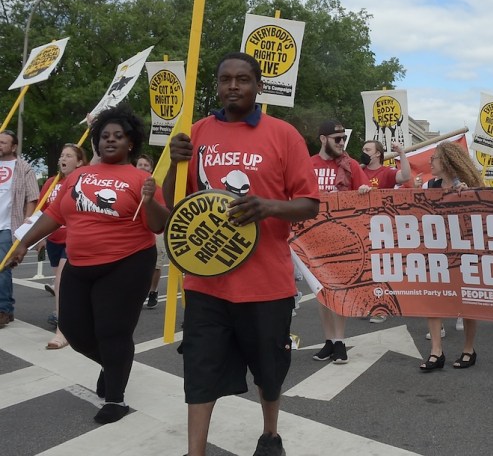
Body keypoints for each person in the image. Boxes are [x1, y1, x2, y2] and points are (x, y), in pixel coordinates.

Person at [164, 52, 319, 456]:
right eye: (225, 79)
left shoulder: (283, 135)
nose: (233, 86)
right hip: (206, 282)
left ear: (258, 86)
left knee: (269, 373)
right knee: (199, 371)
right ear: (216, 85)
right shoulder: (195, 132)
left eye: (243, 79)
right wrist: (172, 165)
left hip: (266, 285)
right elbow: (173, 206)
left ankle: (270, 435)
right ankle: (194, 451)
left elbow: (309, 204)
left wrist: (268, 207)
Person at [8, 105, 169, 424]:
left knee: (112, 330)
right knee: (74, 329)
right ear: (96, 141)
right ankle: (113, 364)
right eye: (105, 136)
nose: (110, 141)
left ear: (130, 142)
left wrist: (149, 201)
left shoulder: (142, 179)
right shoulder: (78, 176)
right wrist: (24, 243)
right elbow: (54, 215)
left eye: (118, 136)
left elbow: (158, 225)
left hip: (128, 262)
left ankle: (116, 399)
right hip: (80, 263)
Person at [420, 141, 484, 372]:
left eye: (434, 158)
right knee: (433, 300)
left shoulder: (471, 186)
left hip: (464, 252)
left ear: (447, 161)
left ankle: (469, 349)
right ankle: (436, 351)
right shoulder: (429, 185)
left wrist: (467, 196)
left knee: (467, 301)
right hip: (436, 250)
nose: (430, 162)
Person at [310, 119, 370, 363]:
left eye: (343, 139)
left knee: (339, 291)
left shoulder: (351, 165)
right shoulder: (307, 164)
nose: (342, 143)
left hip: (342, 238)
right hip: (312, 240)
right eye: (337, 139)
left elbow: (365, 192)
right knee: (321, 293)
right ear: (323, 139)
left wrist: (364, 191)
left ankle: (340, 341)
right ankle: (328, 341)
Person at [39, 143, 89, 349]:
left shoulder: (82, 180)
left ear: (79, 162)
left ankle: (63, 331)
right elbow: (42, 211)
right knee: (66, 287)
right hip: (54, 240)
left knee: (60, 282)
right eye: (62, 155)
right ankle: (75, 317)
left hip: (74, 238)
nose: (63, 159)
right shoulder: (51, 183)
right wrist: (37, 237)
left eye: (69, 156)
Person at [360, 139, 411, 323]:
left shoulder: (386, 173)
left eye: (367, 149)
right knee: (365, 270)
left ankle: (381, 308)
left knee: (379, 270)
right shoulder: (359, 171)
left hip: (381, 229)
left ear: (377, 154)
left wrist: (401, 153)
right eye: (363, 149)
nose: (363, 152)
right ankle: (368, 305)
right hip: (361, 226)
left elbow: (405, 176)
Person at [0, 130, 40, 328]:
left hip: (9, 225)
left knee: (3, 268)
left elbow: (32, 197)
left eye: (3, 142)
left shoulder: (23, 168)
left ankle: (4, 310)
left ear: (13, 147)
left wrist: (27, 221)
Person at [136, 153, 166, 309]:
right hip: (137, 228)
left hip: (155, 229)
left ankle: (152, 291)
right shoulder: (130, 184)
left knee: (156, 264)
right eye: (139, 164)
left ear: (152, 168)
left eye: (146, 165)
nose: (142, 167)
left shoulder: (158, 187)